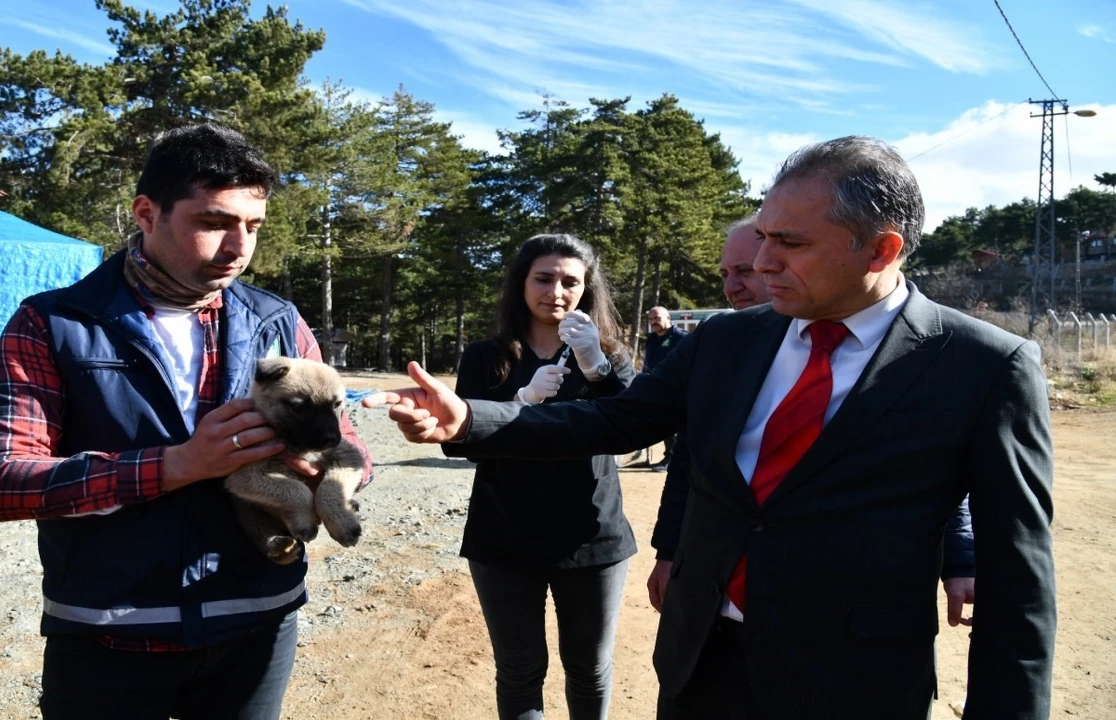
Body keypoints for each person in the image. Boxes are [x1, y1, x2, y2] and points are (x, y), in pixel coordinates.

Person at [365, 136, 1055, 719]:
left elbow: (1019, 585)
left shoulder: (984, 367)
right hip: (703, 664)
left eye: (790, 243)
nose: (760, 264)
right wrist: (473, 417)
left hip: (853, 681)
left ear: (880, 250)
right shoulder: (729, 341)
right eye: (761, 238)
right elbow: (615, 418)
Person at [0, 123, 372, 720]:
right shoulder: (54, 323)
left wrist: (326, 478)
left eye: (252, 227)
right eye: (213, 223)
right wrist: (175, 466)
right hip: (110, 635)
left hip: (258, 623)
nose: (238, 248)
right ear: (146, 213)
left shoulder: (278, 321)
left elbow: (351, 448)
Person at [647, 215, 977, 641]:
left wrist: (961, 558)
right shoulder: (720, 348)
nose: (733, 286)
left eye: (746, 270)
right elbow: (692, 464)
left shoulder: (916, 354)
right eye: (726, 273)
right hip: (714, 614)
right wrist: (670, 551)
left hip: (837, 633)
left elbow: (933, 471)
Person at [451, 233, 637, 720]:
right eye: (544, 278)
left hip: (593, 537)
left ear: (586, 290)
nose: (556, 290)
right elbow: (456, 442)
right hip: (504, 537)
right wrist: (519, 403)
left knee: (589, 668)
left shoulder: (609, 355)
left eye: (570, 281)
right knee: (518, 669)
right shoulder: (485, 357)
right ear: (521, 283)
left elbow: (634, 425)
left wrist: (596, 366)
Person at [641, 306, 687, 472]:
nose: (653, 322)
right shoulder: (652, 339)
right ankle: (666, 456)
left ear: (668, 318)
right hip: (655, 387)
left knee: (674, 426)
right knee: (661, 425)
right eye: (651, 319)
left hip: (677, 389)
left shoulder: (681, 337)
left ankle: (671, 460)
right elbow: (648, 363)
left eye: (657, 318)